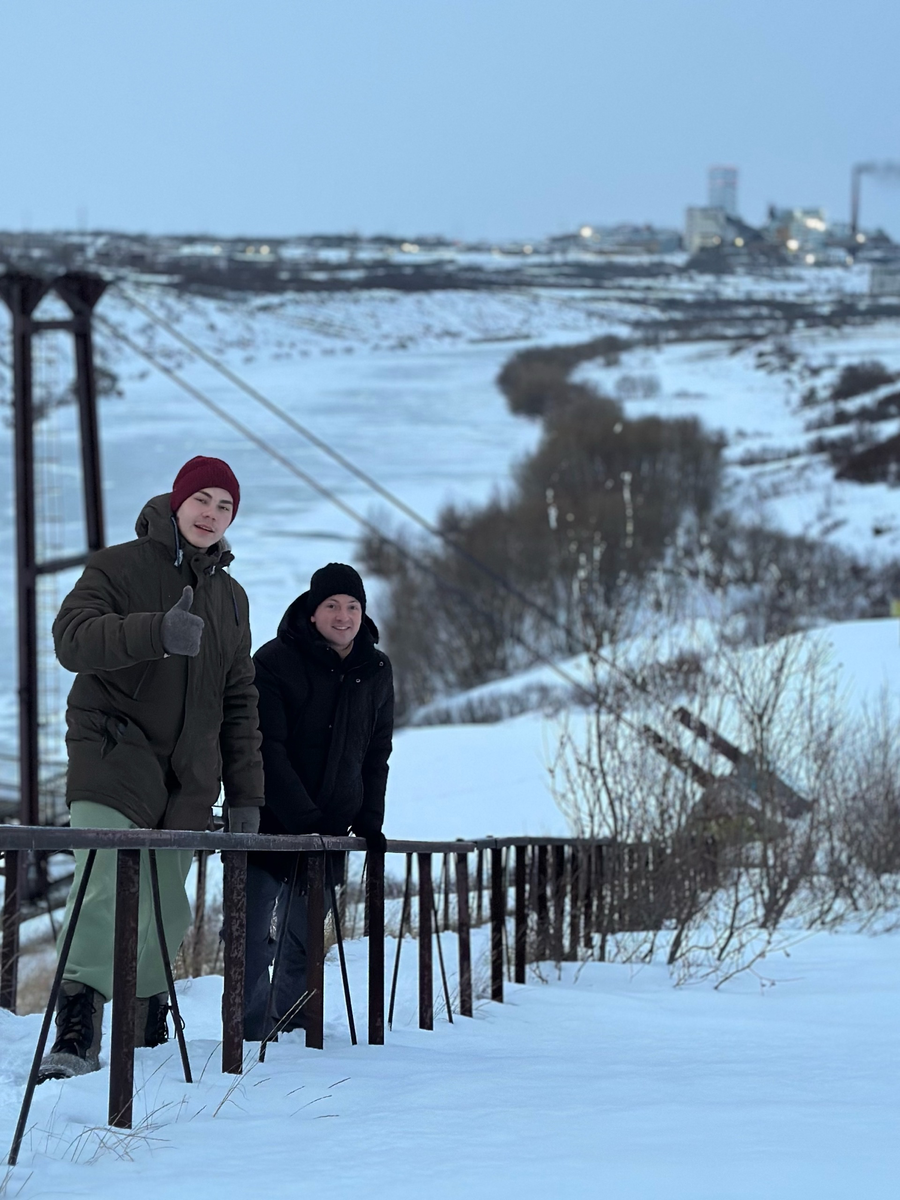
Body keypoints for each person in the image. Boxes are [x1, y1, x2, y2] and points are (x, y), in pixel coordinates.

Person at [39, 456, 263, 1081]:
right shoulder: (118, 566)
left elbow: (239, 697)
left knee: (166, 905)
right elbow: (71, 639)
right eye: (203, 500)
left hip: (187, 780)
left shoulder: (232, 598)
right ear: (177, 501)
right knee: (106, 887)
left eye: (225, 507)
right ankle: (77, 1031)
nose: (211, 515)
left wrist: (247, 792)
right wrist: (155, 632)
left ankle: (144, 1029)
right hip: (112, 758)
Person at [244, 562, 393, 1041]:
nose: (343, 615)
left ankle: (291, 1033)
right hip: (267, 824)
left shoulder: (375, 668)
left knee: (303, 941)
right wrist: (303, 819)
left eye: (353, 606)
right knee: (247, 936)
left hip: (331, 830)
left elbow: (376, 750)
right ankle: (245, 1034)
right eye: (332, 605)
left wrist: (370, 820)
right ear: (312, 612)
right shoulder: (274, 660)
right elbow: (267, 747)